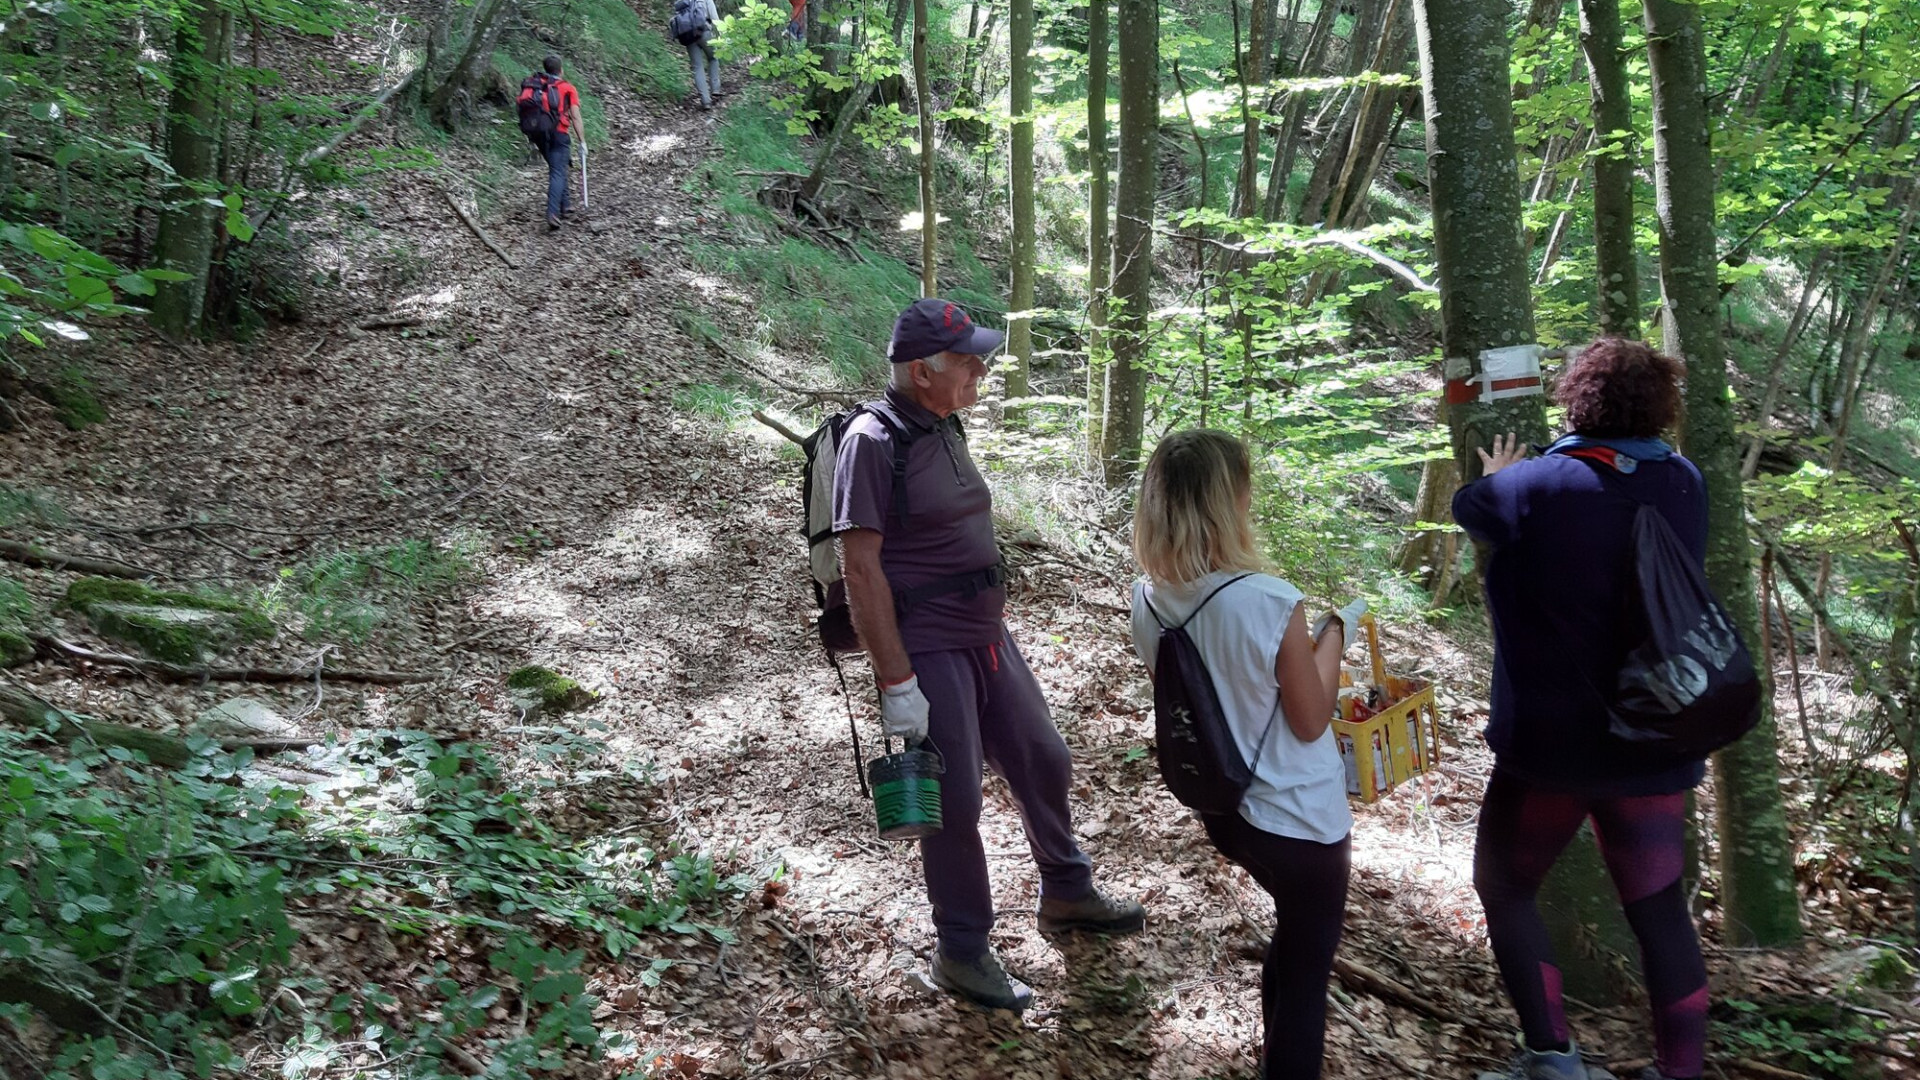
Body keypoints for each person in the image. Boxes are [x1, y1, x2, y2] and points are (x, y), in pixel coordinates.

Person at [832, 298, 1146, 1013]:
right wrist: (896, 681)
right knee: (957, 802)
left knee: (1043, 755)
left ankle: (1066, 893)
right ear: (922, 371)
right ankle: (963, 949)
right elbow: (861, 569)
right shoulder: (872, 442)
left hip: (987, 635)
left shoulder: (942, 425)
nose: (982, 369)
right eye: (969, 359)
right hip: (929, 645)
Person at [1454, 339, 1712, 1080]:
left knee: (1505, 886)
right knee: (1660, 913)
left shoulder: (1538, 484)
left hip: (1553, 750)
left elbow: (1471, 505)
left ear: (1579, 399)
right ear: (1660, 406)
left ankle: (1551, 1058)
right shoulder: (1686, 481)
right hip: (1655, 739)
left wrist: (1502, 472)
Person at [1127, 429, 1364, 1080]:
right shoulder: (1269, 601)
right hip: (1302, 824)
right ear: (1227, 502)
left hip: (1226, 813)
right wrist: (1333, 635)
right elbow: (1312, 719)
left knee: (1293, 940)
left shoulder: (1146, 600)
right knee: (1307, 975)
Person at [518, 56, 584, 231]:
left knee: (558, 168)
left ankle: (566, 204)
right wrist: (582, 141)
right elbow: (576, 117)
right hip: (559, 134)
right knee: (557, 172)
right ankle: (552, 213)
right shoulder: (567, 88)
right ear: (561, 70)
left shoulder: (537, 86)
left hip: (539, 134)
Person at [680, 0, 723, 109]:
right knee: (713, 58)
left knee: (697, 67)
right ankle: (716, 90)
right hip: (704, 32)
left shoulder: (682, 2)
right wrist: (722, 34)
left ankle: (705, 101)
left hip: (688, 36)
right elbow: (715, 18)